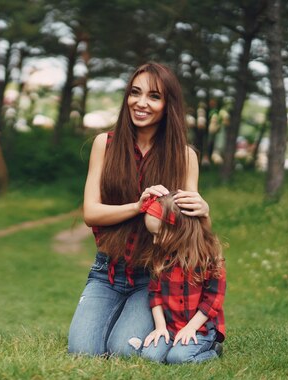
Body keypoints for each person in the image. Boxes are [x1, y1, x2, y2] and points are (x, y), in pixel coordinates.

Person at [67, 62, 211, 356]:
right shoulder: (104, 145)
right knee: (82, 352)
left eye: (153, 96)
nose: (141, 103)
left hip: (154, 277)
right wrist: (138, 205)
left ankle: (202, 343)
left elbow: (190, 233)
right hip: (105, 272)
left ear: (167, 105)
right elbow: (91, 213)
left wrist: (204, 211)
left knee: (123, 351)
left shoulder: (184, 157)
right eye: (135, 93)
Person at [134, 194, 225, 364]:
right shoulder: (160, 257)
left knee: (178, 358)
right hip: (170, 327)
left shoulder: (208, 258)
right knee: (150, 357)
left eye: (158, 234)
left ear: (179, 228)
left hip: (200, 329)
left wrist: (191, 328)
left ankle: (213, 351)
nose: (154, 241)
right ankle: (175, 345)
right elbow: (155, 295)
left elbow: (214, 300)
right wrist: (160, 327)